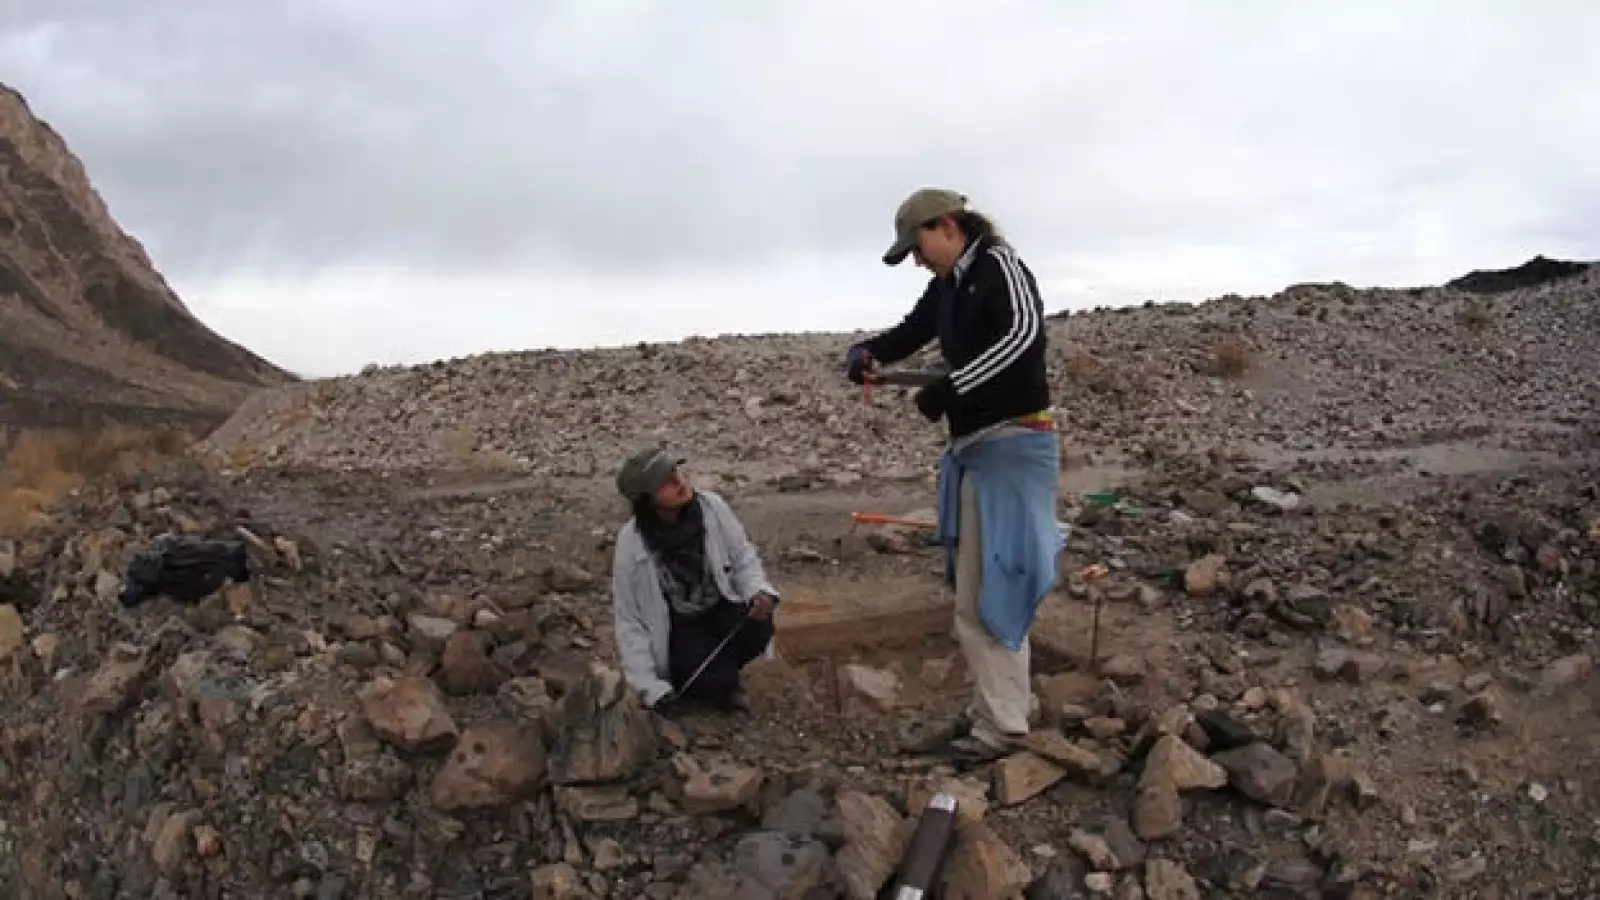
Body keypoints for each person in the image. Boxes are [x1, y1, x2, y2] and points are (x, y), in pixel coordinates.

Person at [844, 188, 1061, 761]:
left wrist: (954, 385)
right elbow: (913, 331)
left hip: (1013, 446)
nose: (918, 261)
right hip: (976, 450)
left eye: (917, 248)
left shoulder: (998, 265)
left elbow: (1022, 338)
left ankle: (1004, 726)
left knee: (995, 588)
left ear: (946, 226)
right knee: (973, 595)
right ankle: (994, 711)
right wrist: (869, 353)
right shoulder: (948, 285)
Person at [611, 446, 779, 712]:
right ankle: (714, 682)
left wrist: (759, 592)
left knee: (759, 626)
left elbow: (743, 558)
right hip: (681, 628)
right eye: (666, 482)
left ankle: (723, 674)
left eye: (676, 472)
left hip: (720, 607)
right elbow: (629, 621)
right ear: (646, 500)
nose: (680, 482)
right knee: (708, 681)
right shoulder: (630, 546)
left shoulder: (713, 508)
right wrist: (649, 688)